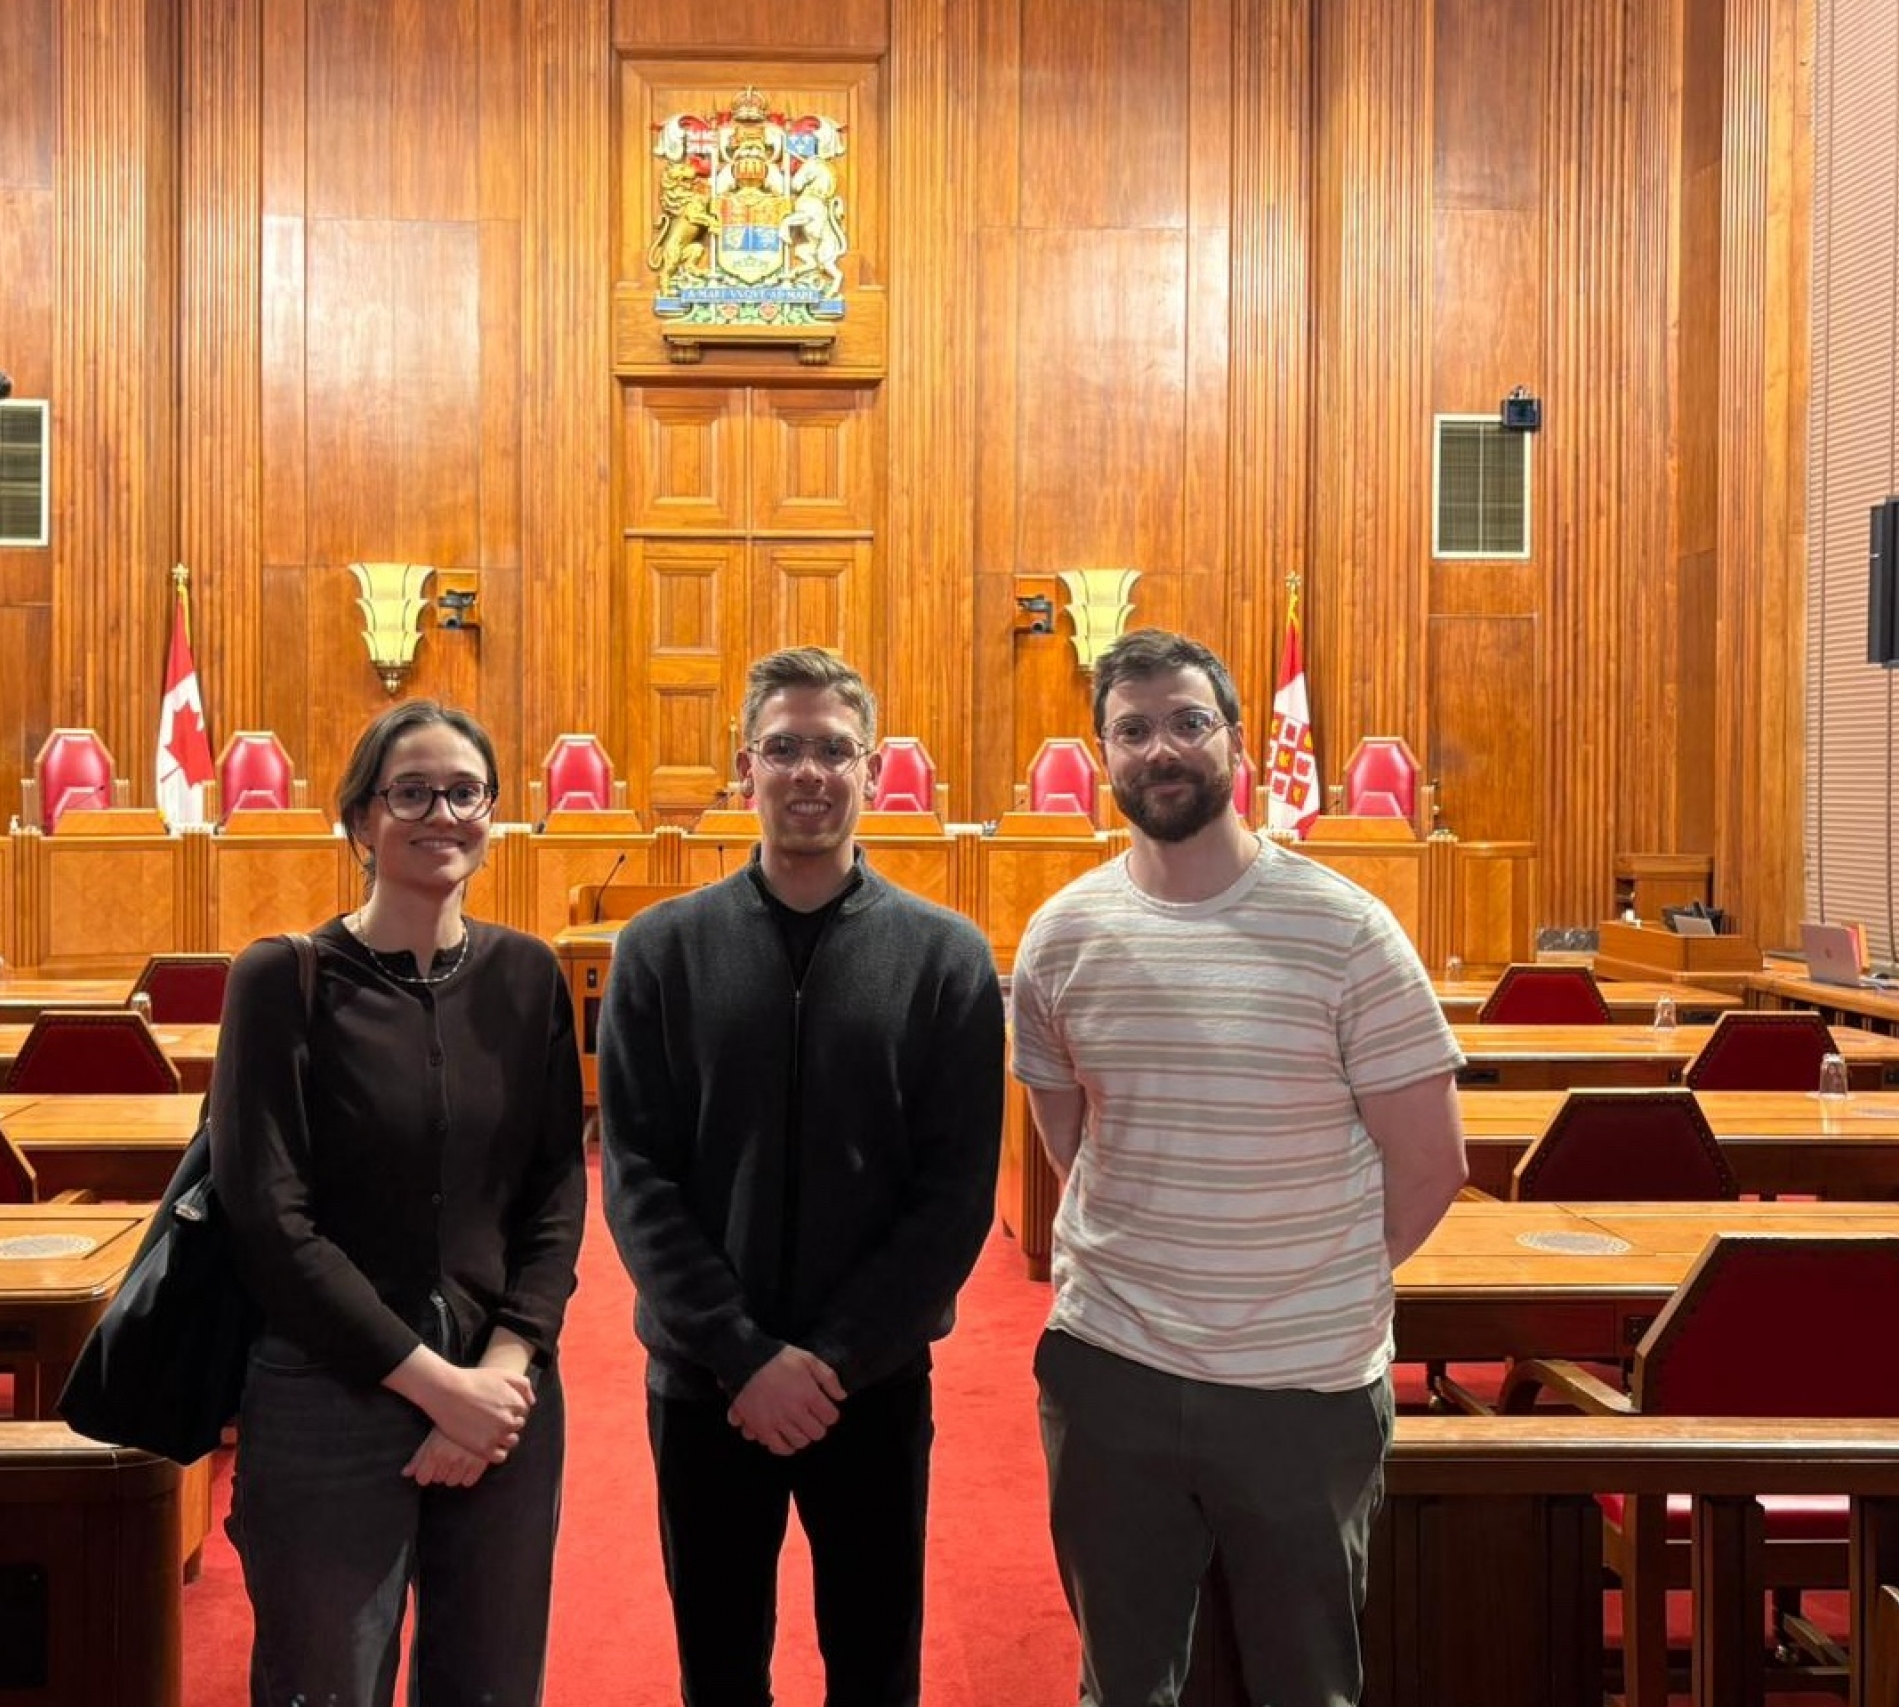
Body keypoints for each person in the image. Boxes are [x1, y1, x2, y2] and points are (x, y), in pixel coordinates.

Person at [1010, 629, 1469, 1707]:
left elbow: (1430, 1164)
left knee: (1303, 1687)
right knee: (1121, 1685)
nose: (1160, 749)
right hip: (1111, 1370)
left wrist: (1300, 1282)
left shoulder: (1348, 932)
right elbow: (1070, 1138)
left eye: (1185, 722)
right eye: (1132, 730)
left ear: (1235, 743)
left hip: (1299, 1390)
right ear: (1101, 755)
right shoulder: (1060, 937)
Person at [599, 646, 1006, 1707]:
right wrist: (743, 1356)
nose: (809, 773)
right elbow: (636, 1174)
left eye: (835, 750)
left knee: (875, 1668)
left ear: (873, 772)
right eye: (785, 749)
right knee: (720, 1668)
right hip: (705, 1384)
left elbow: (956, 1193)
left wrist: (826, 1360)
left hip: (866, 1386)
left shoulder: (946, 957)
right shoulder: (657, 951)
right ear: (746, 769)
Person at [212, 699, 586, 1707]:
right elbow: (269, 1219)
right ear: (358, 824)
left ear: (493, 816)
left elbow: (555, 1189)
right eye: (410, 791)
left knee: (490, 1688)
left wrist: (505, 1368)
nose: (442, 812)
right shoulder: (279, 981)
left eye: (465, 792)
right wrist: (433, 1386)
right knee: (322, 1686)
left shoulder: (528, 976)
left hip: (501, 1397)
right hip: (328, 1392)